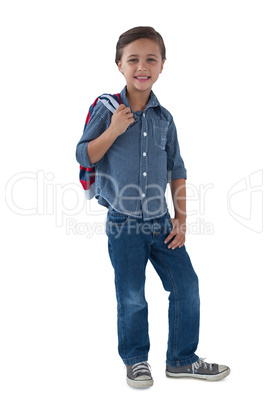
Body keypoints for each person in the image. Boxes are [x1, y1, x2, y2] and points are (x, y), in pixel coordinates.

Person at [76, 26, 230, 388]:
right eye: (133, 59)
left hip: (162, 223)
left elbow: (177, 168)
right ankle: (136, 361)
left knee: (186, 286)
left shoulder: (164, 119)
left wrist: (182, 219)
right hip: (124, 223)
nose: (142, 66)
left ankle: (181, 359)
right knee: (132, 295)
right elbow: (84, 153)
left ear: (162, 66)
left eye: (151, 59)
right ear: (119, 65)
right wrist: (113, 130)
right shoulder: (107, 109)